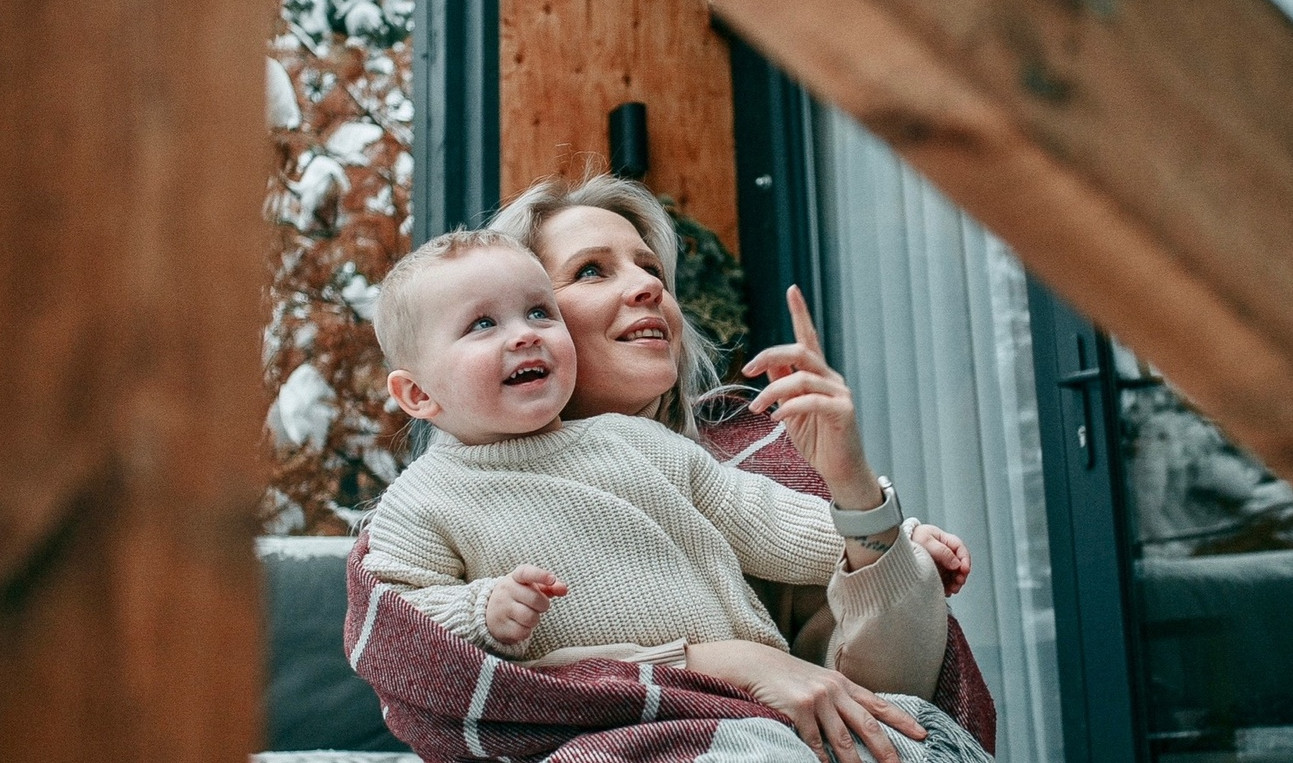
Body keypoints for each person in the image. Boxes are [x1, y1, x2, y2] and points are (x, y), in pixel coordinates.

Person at [357, 227, 981, 763]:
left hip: (745, 710)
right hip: (613, 724)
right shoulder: (422, 500)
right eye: (483, 324)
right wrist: (481, 610)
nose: (524, 336)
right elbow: (404, 621)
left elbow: (763, 519)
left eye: (538, 313)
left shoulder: (638, 443)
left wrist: (886, 532)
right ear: (417, 395)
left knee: (903, 735)